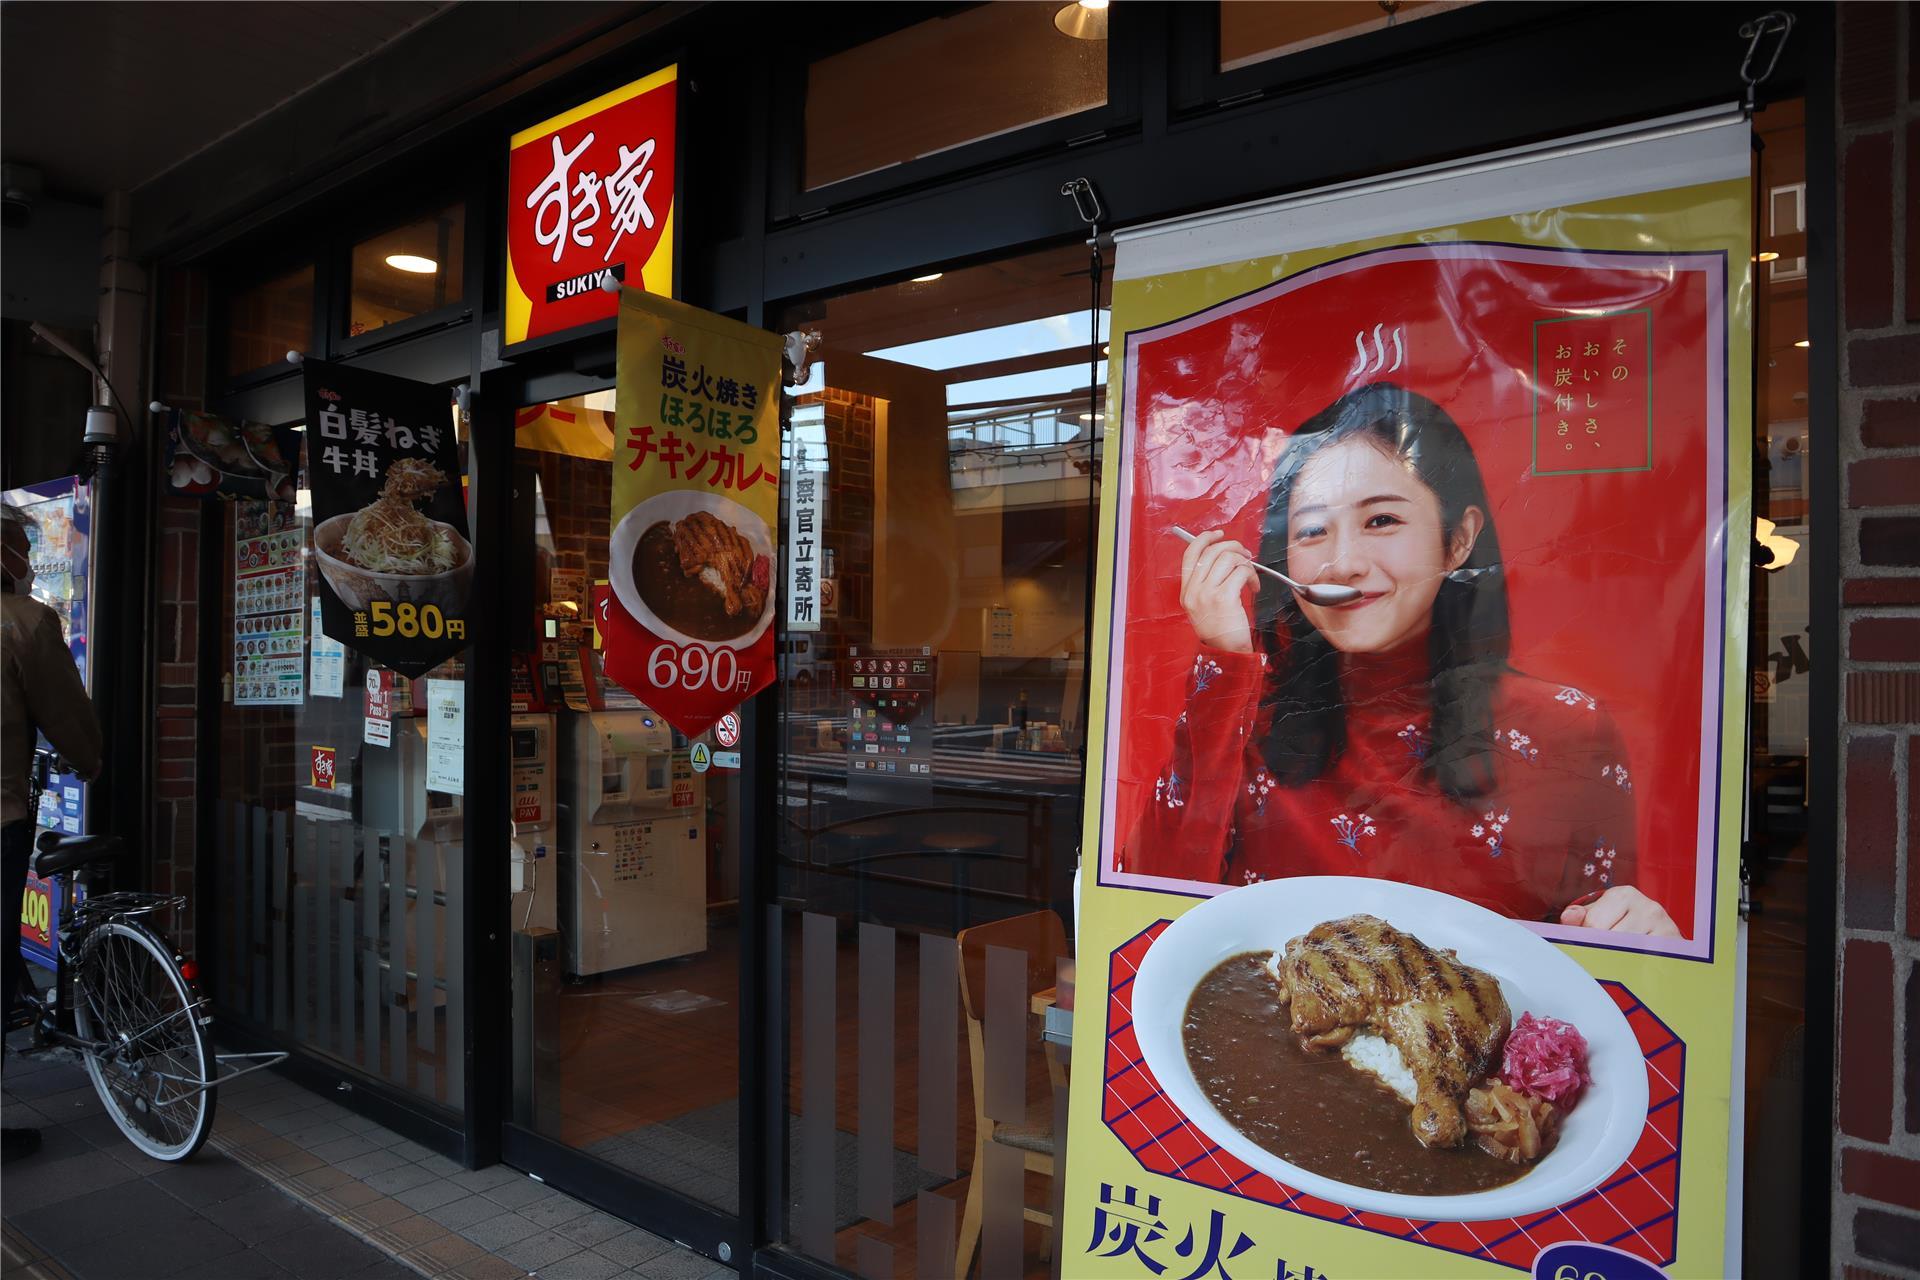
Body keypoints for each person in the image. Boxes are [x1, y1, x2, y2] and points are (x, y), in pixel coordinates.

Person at [1124, 382, 1680, 938]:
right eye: (1313, 531)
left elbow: (1589, 962)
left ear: (1458, 540)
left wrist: (1632, 930)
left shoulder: (1568, 728)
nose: (1342, 564)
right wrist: (1223, 660)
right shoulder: (1246, 719)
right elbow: (1146, 908)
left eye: (1381, 521)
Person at [2, 504, 103, 1158]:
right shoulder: (25, 623)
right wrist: (89, 761)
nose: (28, 558)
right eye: (22, 544)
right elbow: (74, 726)